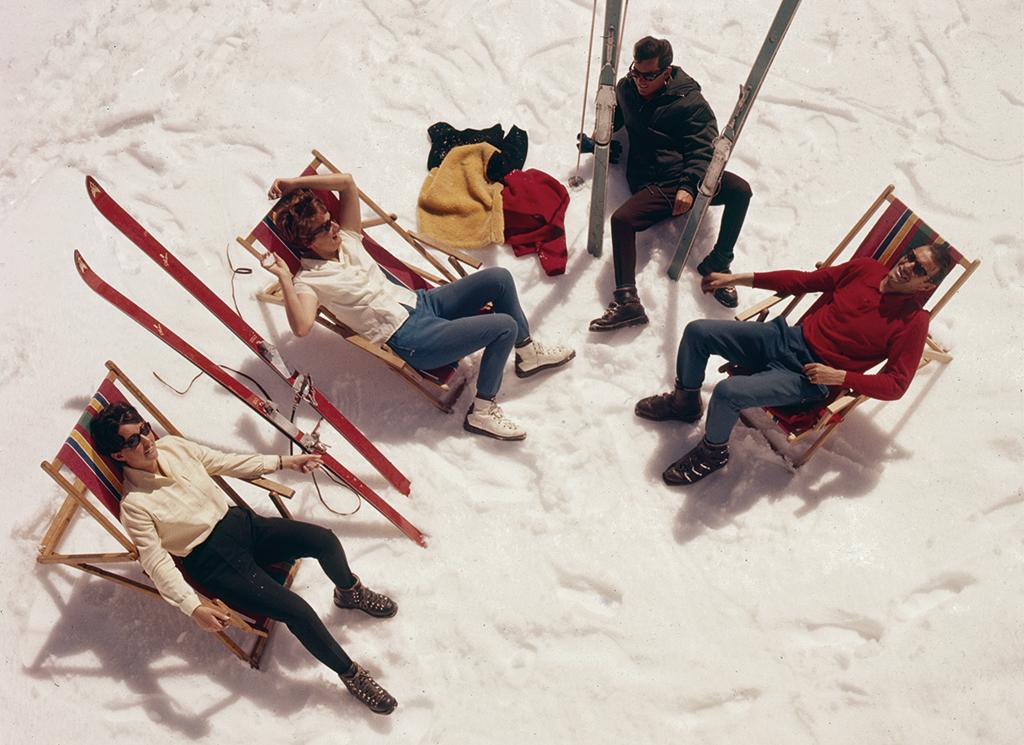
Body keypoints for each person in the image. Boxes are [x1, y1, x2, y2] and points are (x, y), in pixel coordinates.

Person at [90, 402, 399, 715]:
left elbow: (225, 462)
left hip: (243, 525)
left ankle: (350, 593)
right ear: (118, 455)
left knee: (325, 541)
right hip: (214, 561)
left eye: (144, 429)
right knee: (298, 612)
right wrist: (193, 606)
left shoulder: (172, 447)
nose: (146, 441)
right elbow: (156, 564)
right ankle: (351, 674)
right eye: (132, 441)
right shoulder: (135, 505)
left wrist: (284, 462)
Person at [263, 172, 575, 442]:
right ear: (307, 242)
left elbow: (346, 183)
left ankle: (528, 353)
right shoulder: (309, 280)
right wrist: (284, 278)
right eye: (324, 229)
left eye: (331, 222)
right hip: (412, 339)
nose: (334, 229)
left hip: (423, 302)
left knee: (499, 278)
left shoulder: (347, 239)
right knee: (502, 325)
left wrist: (295, 183)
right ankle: (482, 410)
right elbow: (302, 327)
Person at [634, 242, 954, 484]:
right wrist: (740, 278)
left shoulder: (913, 321)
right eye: (912, 256)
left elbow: (896, 385)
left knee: (729, 392)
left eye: (920, 270)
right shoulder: (866, 269)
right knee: (698, 332)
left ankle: (713, 451)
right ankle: (685, 401)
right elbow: (804, 281)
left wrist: (840, 376)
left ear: (926, 287)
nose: (909, 265)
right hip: (783, 339)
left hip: (808, 378)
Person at [588, 35, 754, 331]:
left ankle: (719, 261)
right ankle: (628, 301)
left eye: (649, 75)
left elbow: (704, 149)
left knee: (740, 190)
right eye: (636, 72)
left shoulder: (690, 102)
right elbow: (616, 118)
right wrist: (599, 139)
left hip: (683, 175)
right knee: (623, 220)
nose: (640, 80)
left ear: (667, 72)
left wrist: (689, 186)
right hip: (652, 181)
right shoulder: (627, 89)